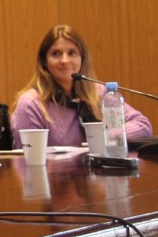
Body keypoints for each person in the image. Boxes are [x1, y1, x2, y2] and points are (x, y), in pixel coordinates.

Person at [11, 25, 152, 147]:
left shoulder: (98, 93)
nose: (65, 60)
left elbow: (142, 125)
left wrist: (106, 135)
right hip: (56, 177)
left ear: (82, 59)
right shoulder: (31, 103)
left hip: (99, 175)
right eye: (56, 54)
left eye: (72, 53)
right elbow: (28, 159)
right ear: (44, 62)